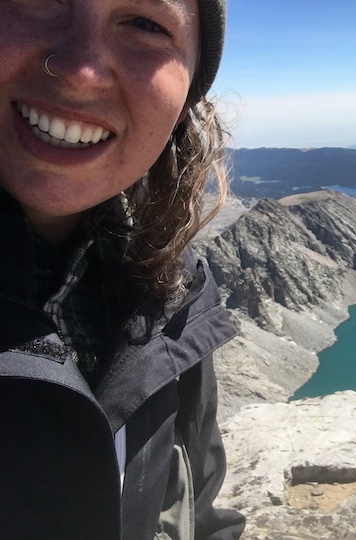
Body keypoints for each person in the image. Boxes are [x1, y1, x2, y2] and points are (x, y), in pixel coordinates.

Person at [0, 0, 245, 538]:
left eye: (144, 24)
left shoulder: (167, 290)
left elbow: (193, 513)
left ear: (186, 100)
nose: (79, 71)